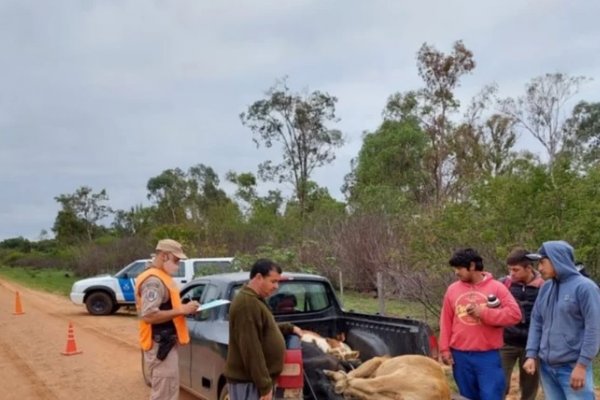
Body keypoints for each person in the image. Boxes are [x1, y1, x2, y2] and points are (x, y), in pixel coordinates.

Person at [439, 248, 522, 400]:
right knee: (467, 396)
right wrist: (444, 349)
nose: (456, 273)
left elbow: (514, 315)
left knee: (491, 395)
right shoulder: (452, 289)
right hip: (460, 355)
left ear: (472, 266)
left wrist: (483, 313)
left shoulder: (497, 287)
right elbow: (446, 320)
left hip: (488, 355)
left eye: (459, 268)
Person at [523, 240, 600, 399]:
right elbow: (537, 321)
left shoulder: (585, 288)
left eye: (543, 262)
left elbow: (594, 328)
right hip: (546, 368)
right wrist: (531, 354)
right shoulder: (546, 287)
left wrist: (582, 365)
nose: (539, 268)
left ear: (557, 259)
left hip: (572, 368)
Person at [225, 259, 303, 400]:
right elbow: (251, 349)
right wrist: (264, 386)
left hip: (253, 382)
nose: (276, 286)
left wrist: (288, 328)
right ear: (259, 277)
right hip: (249, 383)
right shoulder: (247, 304)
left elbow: (263, 329)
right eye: (273, 281)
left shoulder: (254, 300)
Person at [135, 239, 200, 400]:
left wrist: (184, 309)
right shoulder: (153, 281)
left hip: (165, 344)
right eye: (176, 260)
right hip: (160, 347)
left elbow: (165, 308)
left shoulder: (161, 277)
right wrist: (181, 310)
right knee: (164, 394)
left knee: (168, 392)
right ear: (164, 256)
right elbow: (149, 315)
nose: (178, 264)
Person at [499, 248, 544, 400]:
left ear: (529, 268)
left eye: (516, 270)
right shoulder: (504, 284)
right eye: (510, 269)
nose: (512, 273)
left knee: (529, 387)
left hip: (533, 345)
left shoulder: (545, 286)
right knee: (499, 383)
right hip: (506, 342)